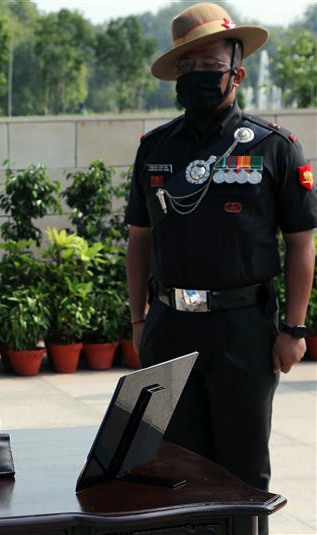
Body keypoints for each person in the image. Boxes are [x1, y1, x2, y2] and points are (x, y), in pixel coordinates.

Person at [125, 3, 316, 533]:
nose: (197, 75)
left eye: (209, 64)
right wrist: (139, 320)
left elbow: (301, 244)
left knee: (243, 469)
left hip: (244, 331)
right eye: (186, 66)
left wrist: (294, 329)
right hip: (170, 327)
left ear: (238, 71)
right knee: (171, 465)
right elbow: (139, 240)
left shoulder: (275, 147)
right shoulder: (155, 149)